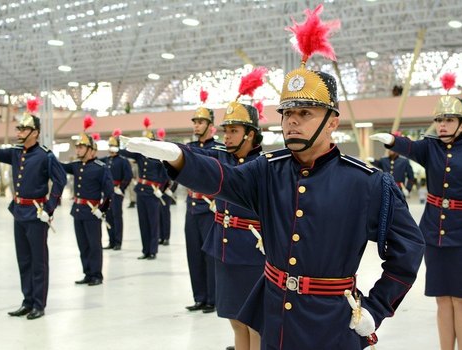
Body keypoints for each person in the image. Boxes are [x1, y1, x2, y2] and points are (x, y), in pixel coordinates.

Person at [123, 5, 425, 349]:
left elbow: (408, 250)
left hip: (330, 323)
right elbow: (224, 177)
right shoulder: (268, 170)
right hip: (275, 317)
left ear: (332, 122)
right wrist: (180, 157)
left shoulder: (367, 184)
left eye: (305, 113)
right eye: (287, 113)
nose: (291, 121)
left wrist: (377, 306)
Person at [371, 74, 462, 350]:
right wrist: (392, 140)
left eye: (449, 120)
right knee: (442, 298)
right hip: (434, 233)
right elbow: (409, 146)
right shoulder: (430, 148)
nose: (442, 125)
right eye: (440, 120)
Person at [0, 99, 67, 320]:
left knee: (39, 262)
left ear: (35, 133)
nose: (19, 131)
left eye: (24, 128)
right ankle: (27, 301)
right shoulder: (16, 152)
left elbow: (60, 181)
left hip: (37, 214)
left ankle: (39, 304)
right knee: (24, 261)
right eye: (19, 128)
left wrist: (50, 208)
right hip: (19, 213)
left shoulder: (46, 155)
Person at [193, 70, 267, 350]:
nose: (227, 136)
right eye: (225, 130)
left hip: (252, 250)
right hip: (223, 246)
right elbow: (194, 158)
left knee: (254, 322)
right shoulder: (221, 157)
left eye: (233, 130)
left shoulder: (264, 165)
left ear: (250, 134)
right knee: (235, 319)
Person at [183, 89, 223, 314]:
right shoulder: (190, 148)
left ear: (210, 125)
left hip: (210, 208)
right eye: (195, 122)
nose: (196, 126)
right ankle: (199, 297)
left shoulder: (218, 150)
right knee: (193, 253)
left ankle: (212, 298)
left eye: (201, 122)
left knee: (210, 255)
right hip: (192, 206)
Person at [61, 122, 113, 286]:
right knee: (83, 245)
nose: (78, 150)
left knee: (94, 245)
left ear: (91, 150)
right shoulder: (76, 166)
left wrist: (102, 210)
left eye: (81, 147)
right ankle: (88, 273)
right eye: (77, 147)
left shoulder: (100, 168)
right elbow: (60, 167)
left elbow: (109, 192)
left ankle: (97, 275)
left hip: (92, 212)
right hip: (78, 211)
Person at [120, 124, 169, 260]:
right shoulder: (140, 155)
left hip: (153, 193)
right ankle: (145, 250)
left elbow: (166, 176)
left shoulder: (159, 157)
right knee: (143, 223)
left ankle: (152, 251)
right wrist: (125, 142)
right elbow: (124, 152)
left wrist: (161, 190)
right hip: (141, 192)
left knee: (153, 222)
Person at [101, 130, 133, 250]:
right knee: (108, 216)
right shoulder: (106, 160)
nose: (111, 148)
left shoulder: (123, 161)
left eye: (113, 146)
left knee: (117, 217)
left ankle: (118, 241)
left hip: (117, 192)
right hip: (107, 192)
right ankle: (111, 241)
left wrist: (122, 188)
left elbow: (128, 175)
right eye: (110, 146)